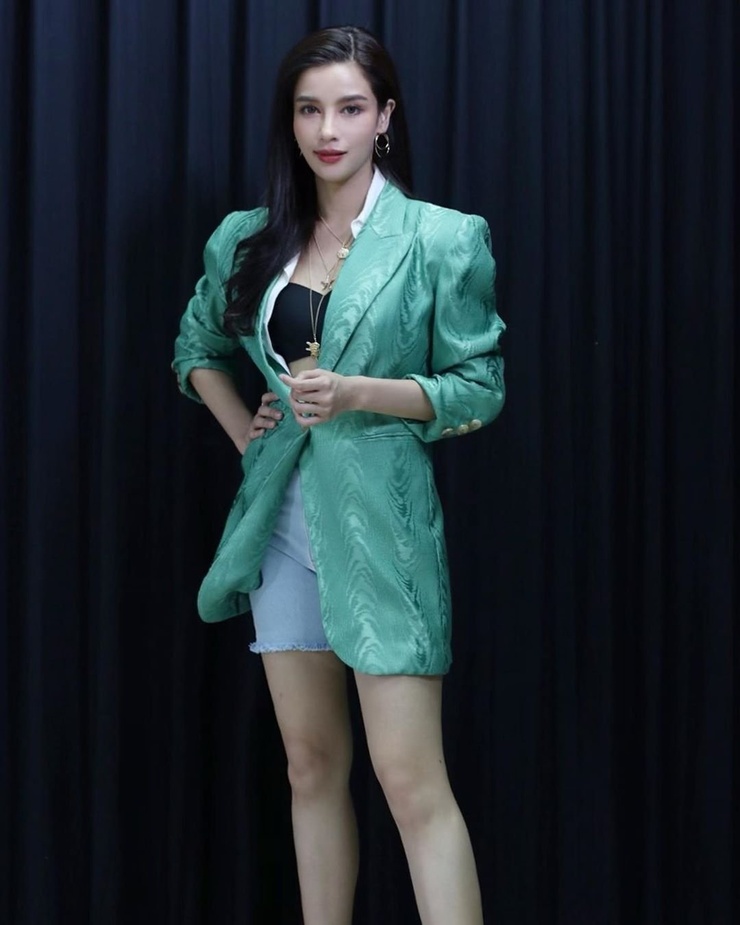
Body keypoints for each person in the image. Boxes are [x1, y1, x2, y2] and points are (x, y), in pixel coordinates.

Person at [172, 24, 505, 925]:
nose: (328, 130)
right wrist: (248, 436)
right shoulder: (248, 239)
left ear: (384, 117)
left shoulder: (441, 238)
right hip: (280, 528)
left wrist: (358, 392)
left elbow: (480, 388)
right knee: (310, 765)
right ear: (290, 120)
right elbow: (196, 347)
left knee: (409, 779)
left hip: (384, 528)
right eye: (309, 109)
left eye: (351, 108)